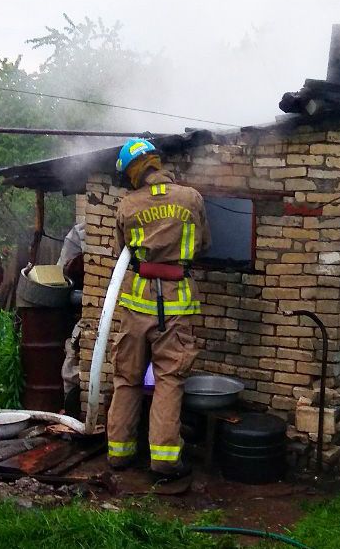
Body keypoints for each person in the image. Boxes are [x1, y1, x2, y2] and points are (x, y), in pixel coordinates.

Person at [106, 138, 211, 480]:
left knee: (127, 377)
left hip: (136, 302)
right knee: (169, 378)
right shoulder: (191, 198)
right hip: (177, 302)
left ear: (133, 172)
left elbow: (121, 252)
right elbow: (204, 244)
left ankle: (119, 453)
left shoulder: (127, 205)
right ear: (156, 161)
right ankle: (165, 459)